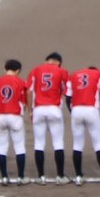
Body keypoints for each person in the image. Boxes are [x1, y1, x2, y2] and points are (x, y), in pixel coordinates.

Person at [27, 52, 70, 184]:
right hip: (54, 109)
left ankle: (41, 177)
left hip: (38, 109)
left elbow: (28, 90)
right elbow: (66, 91)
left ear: (47, 60)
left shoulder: (35, 70)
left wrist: (30, 110)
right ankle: (60, 176)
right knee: (58, 143)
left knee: (39, 143)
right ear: (58, 62)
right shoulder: (62, 71)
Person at [0, 59, 28, 186]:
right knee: (19, 146)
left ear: (5, 69)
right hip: (15, 117)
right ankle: (21, 177)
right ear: (18, 71)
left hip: (0, 117)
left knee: (2, 147)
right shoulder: (20, 82)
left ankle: (4, 177)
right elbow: (24, 101)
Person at [68, 63, 100, 185]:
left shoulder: (74, 75)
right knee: (98, 144)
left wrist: (72, 112)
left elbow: (67, 98)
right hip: (92, 110)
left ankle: (78, 176)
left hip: (76, 110)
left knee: (77, 144)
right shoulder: (99, 74)